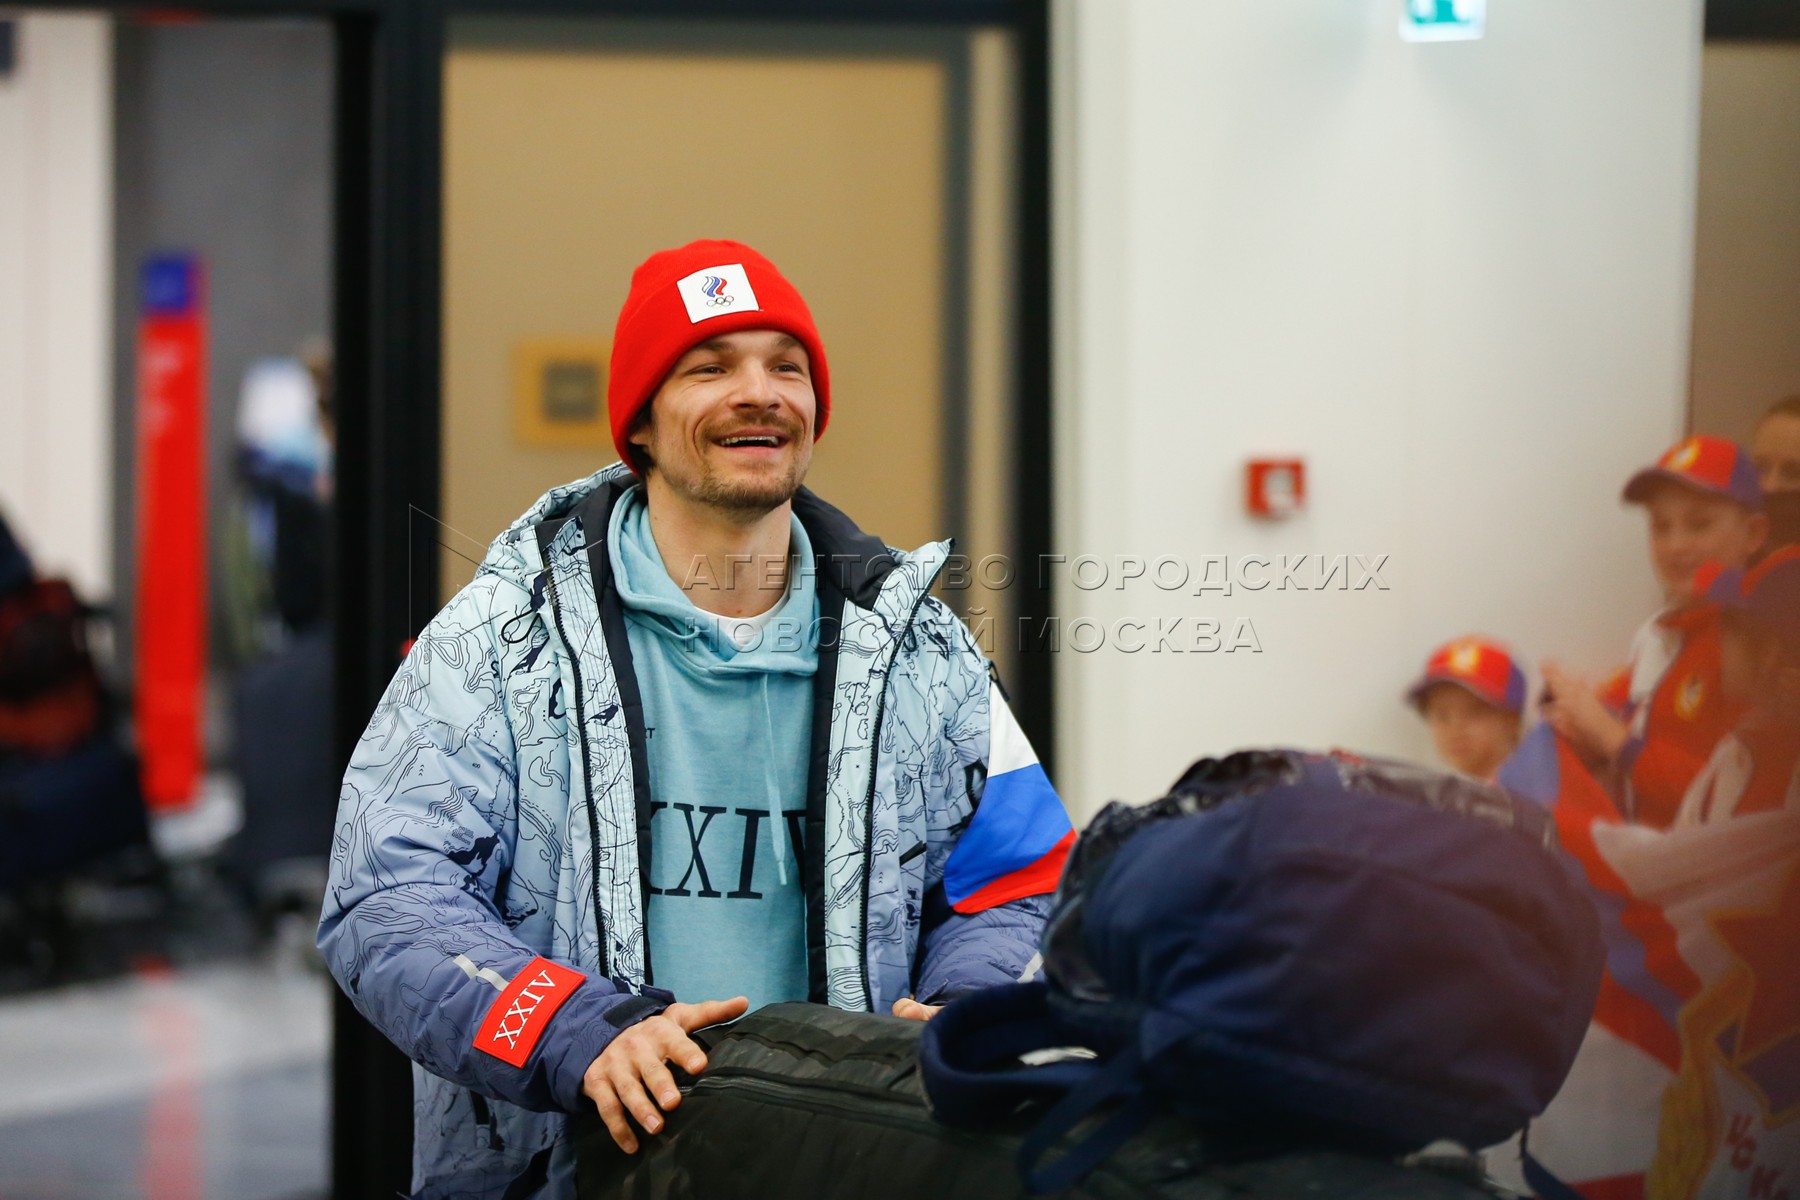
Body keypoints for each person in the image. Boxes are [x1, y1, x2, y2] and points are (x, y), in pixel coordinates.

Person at [317, 240, 1075, 1199]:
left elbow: (1018, 877)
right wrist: (573, 1031)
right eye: (710, 368)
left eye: (786, 368)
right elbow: (386, 898)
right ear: (640, 423)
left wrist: (968, 1006)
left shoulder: (923, 650)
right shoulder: (495, 643)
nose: (758, 394)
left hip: (852, 1167)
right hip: (574, 1172)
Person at [1539, 436, 1767, 828]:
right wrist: (1577, 719)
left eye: (1699, 524)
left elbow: (1733, 800)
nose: (1675, 545)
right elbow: (1621, 714)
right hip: (1642, 851)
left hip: (1701, 865)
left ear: (1753, 534)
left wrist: (1612, 738)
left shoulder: (1759, 646)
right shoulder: (1656, 633)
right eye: (1661, 527)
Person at [1675, 546, 1800, 824]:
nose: (1717, 648)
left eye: (1726, 634)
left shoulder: (1753, 761)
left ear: (1768, 652)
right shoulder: (1736, 750)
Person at [1404, 637, 1527, 781]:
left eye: (1474, 712)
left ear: (1512, 719)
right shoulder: (1437, 792)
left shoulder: (1535, 789)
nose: (1456, 727)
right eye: (1442, 715)